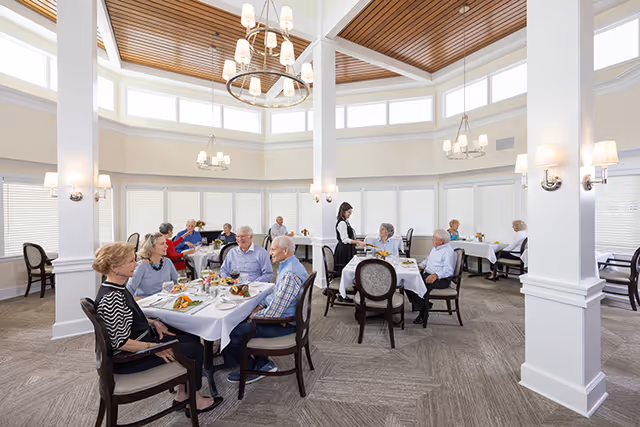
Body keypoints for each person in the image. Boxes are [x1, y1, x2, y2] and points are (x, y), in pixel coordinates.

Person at [92, 242, 223, 416]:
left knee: (189, 335)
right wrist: (154, 348)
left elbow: (126, 320)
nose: (136, 264)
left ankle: (182, 394)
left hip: (139, 343)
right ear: (116, 267)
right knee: (195, 348)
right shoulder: (112, 298)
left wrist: (152, 323)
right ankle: (196, 401)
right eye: (131, 261)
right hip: (129, 359)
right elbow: (121, 343)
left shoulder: (115, 288)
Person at [224, 236, 307, 384]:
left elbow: (275, 313)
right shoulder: (291, 265)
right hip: (288, 320)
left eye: (273, 249)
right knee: (242, 321)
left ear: (285, 250)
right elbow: (277, 295)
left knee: (231, 331)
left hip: (286, 326)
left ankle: (255, 367)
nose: (270, 252)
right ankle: (260, 361)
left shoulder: (290, 274)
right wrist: (260, 306)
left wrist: (253, 317)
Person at [406, 229, 456, 324]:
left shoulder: (448, 252)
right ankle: (425, 305)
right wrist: (421, 265)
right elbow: (428, 260)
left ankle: (423, 312)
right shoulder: (436, 248)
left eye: (434, 238)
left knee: (414, 284)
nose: (432, 240)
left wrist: (437, 275)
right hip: (429, 274)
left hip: (441, 279)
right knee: (407, 281)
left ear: (441, 241)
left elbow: (449, 271)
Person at [127, 232, 179, 298]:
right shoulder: (141, 266)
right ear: (151, 247)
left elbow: (177, 283)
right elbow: (129, 291)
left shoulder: (167, 262)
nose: (166, 246)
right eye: (162, 244)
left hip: (165, 301)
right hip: (146, 305)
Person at [334, 202, 365, 275]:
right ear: (343, 211)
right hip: (344, 250)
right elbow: (345, 240)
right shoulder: (342, 223)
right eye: (348, 212)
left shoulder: (345, 222)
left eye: (350, 212)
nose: (350, 214)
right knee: (346, 268)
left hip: (347, 249)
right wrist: (358, 242)